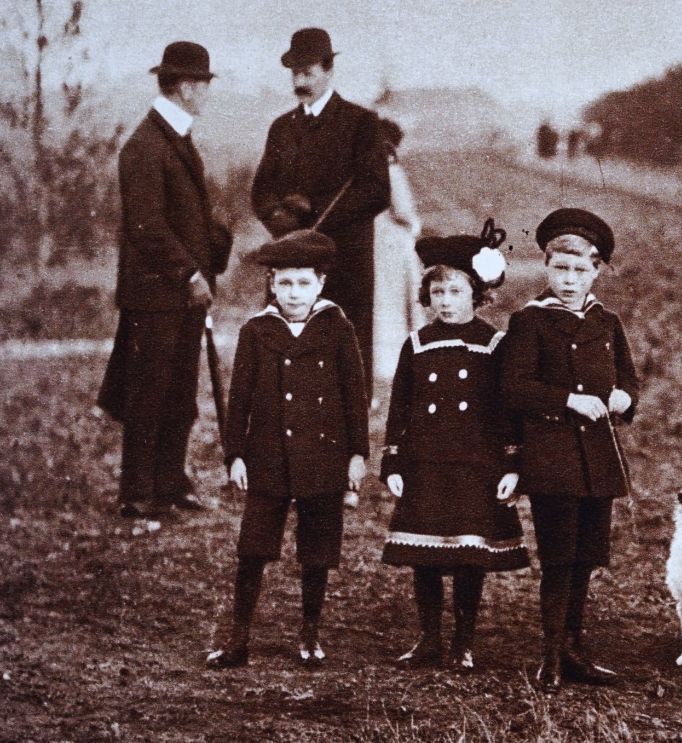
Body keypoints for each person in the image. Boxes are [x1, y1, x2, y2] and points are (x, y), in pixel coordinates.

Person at [206, 230, 369, 669]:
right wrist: (235, 455)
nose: (293, 293)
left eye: (303, 283)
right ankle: (238, 638)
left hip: (323, 456)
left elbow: (355, 395)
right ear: (272, 284)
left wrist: (357, 453)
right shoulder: (257, 331)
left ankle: (310, 635)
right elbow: (239, 399)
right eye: (284, 283)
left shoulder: (337, 328)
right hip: (268, 455)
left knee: (317, 549)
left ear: (320, 284)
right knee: (253, 547)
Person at [498, 208, 640, 693]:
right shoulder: (529, 321)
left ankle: (576, 649)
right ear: (546, 266)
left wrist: (624, 398)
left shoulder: (607, 322)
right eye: (560, 268)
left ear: (596, 272)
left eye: (580, 270)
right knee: (559, 557)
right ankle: (552, 653)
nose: (570, 280)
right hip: (552, 456)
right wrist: (567, 400)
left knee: (585, 556)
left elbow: (628, 379)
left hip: (598, 458)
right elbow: (513, 387)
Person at [380, 220, 527, 671]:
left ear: (476, 294)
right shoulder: (417, 343)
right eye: (438, 292)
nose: (445, 300)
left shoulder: (494, 344)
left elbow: (508, 411)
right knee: (424, 552)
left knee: (469, 554)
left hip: (475, 465)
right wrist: (393, 462)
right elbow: (400, 408)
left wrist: (512, 465)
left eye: (456, 291)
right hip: (426, 463)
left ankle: (463, 641)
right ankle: (429, 637)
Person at [97, 41, 233, 519]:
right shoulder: (145, 146)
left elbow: (184, 217)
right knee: (148, 394)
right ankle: (138, 493)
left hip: (182, 293)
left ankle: (170, 483)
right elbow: (147, 226)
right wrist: (191, 272)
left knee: (178, 391)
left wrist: (213, 249)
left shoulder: (175, 137)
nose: (207, 93)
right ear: (186, 87)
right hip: (156, 294)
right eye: (204, 84)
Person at [251, 27, 390, 394]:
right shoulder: (281, 128)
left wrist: (316, 222)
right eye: (295, 74)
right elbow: (261, 192)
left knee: (344, 364)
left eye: (308, 73)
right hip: (291, 262)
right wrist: (283, 223)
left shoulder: (361, 123)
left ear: (329, 70)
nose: (300, 82)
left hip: (345, 264)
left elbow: (376, 191)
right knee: (289, 356)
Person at [372, 118, 424, 380]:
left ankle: (380, 361)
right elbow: (403, 211)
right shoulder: (392, 171)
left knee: (381, 299)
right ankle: (396, 360)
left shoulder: (364, 171)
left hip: (375, 240)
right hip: (394, 241)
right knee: (398, 298)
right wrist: (416, 225)